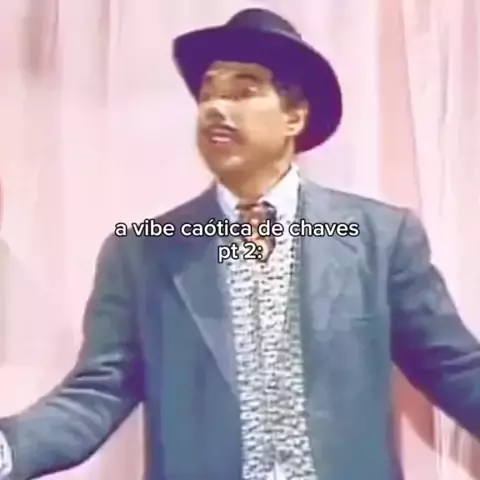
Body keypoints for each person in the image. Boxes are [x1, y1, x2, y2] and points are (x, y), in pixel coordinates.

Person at [1, 7, 479, 480]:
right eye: (207, 93)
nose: (215, 107)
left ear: (294, 116)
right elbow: (96, 393)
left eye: (243, 91)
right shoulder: (144, 253)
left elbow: (452, 367)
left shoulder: (381, 238)